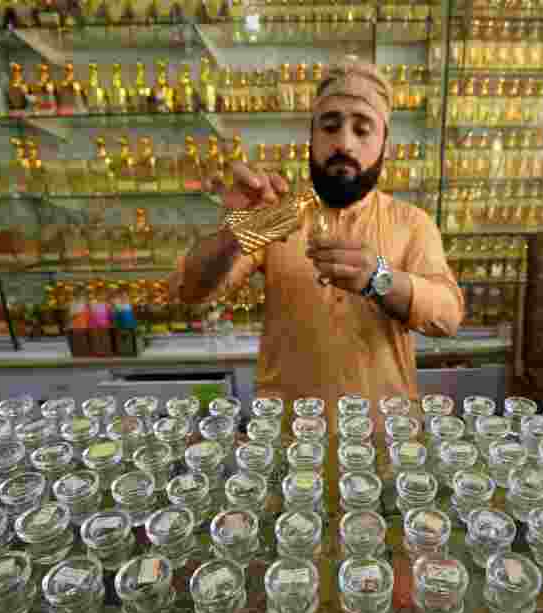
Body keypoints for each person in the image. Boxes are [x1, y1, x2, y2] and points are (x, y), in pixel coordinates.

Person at [172, 58, 464, 428]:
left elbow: (448, 316)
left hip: (384, 437)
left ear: (385, 146)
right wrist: (234, 231)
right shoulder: (278, 214)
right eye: (330, 127)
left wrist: (379, 279)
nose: (344, 143)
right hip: (292, 440)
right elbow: (189, 290)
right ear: (311, 138)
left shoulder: (412, 223)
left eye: (362, 130)